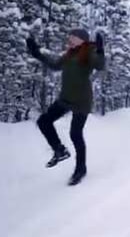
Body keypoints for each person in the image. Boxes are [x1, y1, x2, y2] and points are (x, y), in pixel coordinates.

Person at [26, 28, 105, 186]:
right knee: (44, 121)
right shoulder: (70, 54)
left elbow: (99, 65)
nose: (70, 38)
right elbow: (54, 65)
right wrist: (36, 53)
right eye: (70, 36)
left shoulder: (89, 52)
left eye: (73, 37)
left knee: (75, 134)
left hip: (82, 100)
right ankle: (59, 150)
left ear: (82, 39)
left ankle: (80, 169)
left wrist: (101, 50)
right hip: (66, 98)